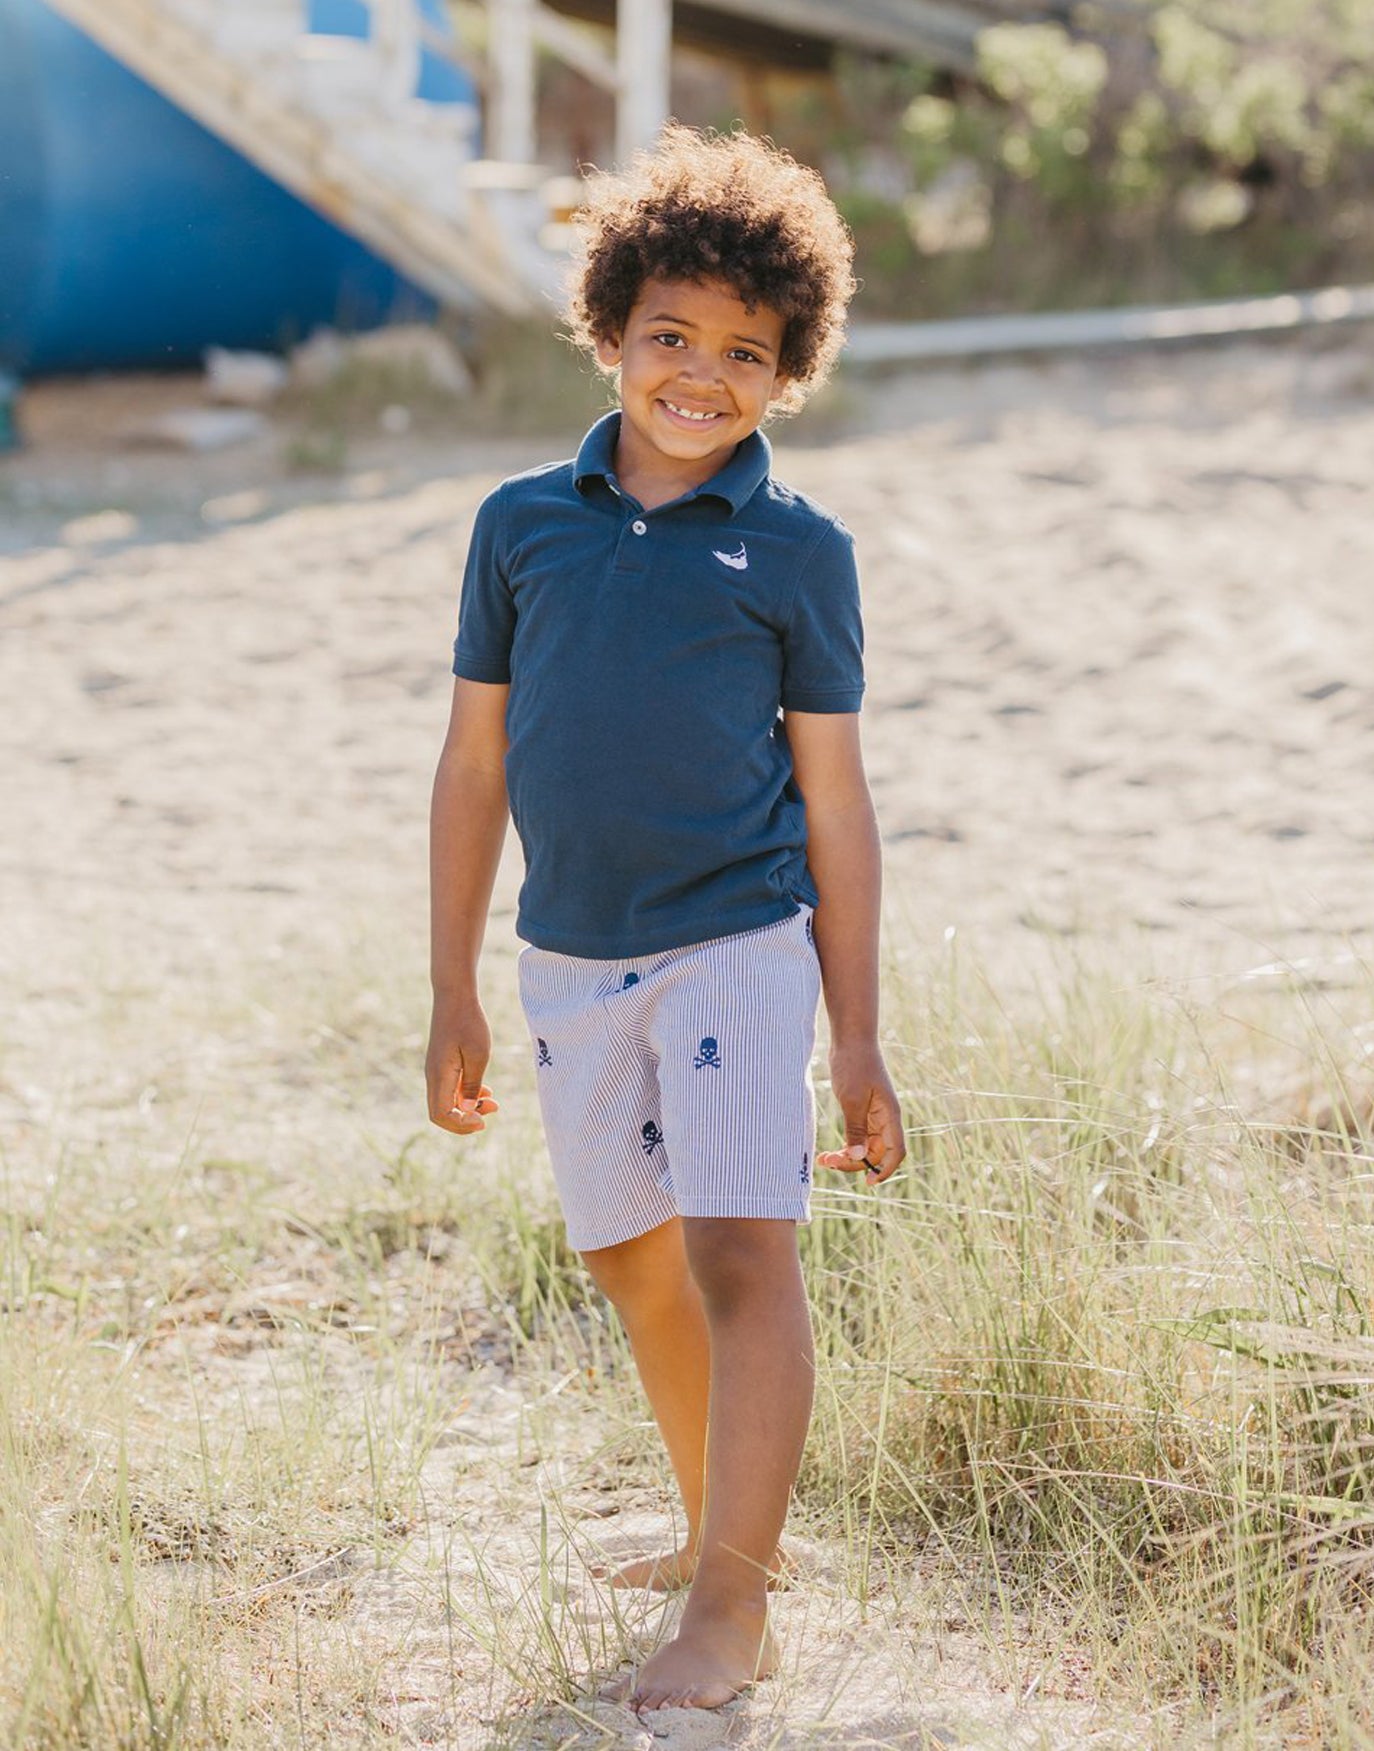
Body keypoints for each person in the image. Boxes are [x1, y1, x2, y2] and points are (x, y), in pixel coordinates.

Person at [426, 124, 905, 1713]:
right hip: (568, 955)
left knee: (735, 1249)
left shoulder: (799, 552)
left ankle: (732, 1605)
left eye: (743, 353)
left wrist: (856, 1036)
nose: (700, 376)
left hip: (738, 944)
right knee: (628, 1258)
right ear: (610, 330)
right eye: (669, 337)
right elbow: (473, 761)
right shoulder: (520, 524)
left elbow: (835, 804)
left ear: (789, 369)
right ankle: (717, 1528)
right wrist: (451, 986)